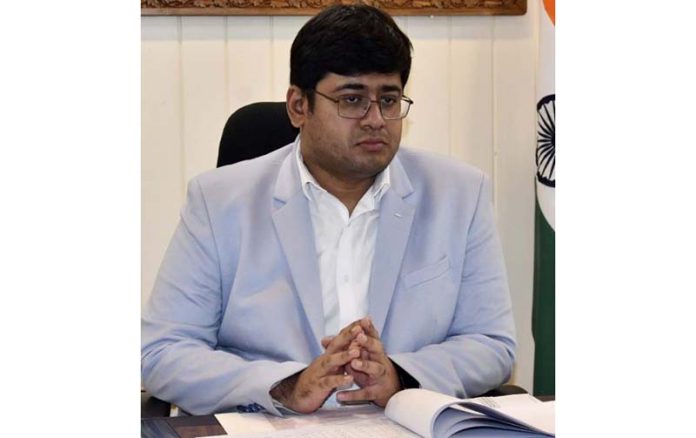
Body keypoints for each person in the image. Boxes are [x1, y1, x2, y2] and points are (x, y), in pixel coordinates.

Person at [141, 4, 516, 417]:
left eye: (388, 99)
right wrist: (285, 385)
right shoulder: (218, 202)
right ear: (298, 106)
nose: (376, 119)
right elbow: (162, 352)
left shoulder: (460, 195)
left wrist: (400, 377)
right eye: (352, 100)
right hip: (270, 424)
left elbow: (491, 343)